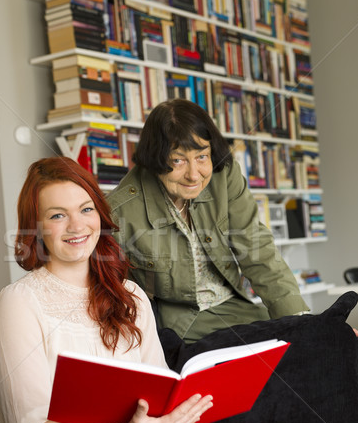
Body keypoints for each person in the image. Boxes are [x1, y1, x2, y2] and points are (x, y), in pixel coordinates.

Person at [0, 156, 270, 423]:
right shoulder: (18, 301)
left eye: (86, 209)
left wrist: (172, 415)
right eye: (57, 216)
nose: (76, 225)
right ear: (36, 230)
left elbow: (154, 389)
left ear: (100, 215)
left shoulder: (132, 296)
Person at [108, 98, 310, 342]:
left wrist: (300, 319)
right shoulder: (120, 210)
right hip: (178, 328)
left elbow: (257, 249)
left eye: (202, 156)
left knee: (313, 344)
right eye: (178, 160)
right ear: (155, 158)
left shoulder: (224, 176)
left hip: (235, 309)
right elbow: (114, 295)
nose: (194, 175)